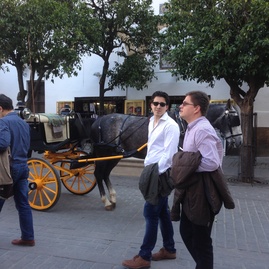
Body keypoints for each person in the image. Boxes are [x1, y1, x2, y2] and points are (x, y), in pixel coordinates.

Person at [172, 91, 230, 269]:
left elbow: (212, 162)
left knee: (201, 240)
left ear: (196, 108)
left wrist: (183, 165)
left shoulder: (202, 129)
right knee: (187, 232)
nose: (180, 106)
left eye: (184, 103)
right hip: (192, 191)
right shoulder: (192, 127)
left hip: (202, 193)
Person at [122, 91, 180, 269]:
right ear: (151, 105)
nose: (158, 107)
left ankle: (144, 256)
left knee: (150, 213)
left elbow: (169, 155)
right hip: (152, 170)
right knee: (162, 213)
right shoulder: (151, 121)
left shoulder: (171, 126)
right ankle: (169, 249)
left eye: (162, 104)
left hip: (159, 174)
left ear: (167, 107)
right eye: (155, 103)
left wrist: (154, 174)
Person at [0, 94, 35, 246]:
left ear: (0, 108)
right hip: (23, 167)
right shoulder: (23, 123)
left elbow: (3, 143)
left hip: (8, 169)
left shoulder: (2, 122)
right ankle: (28, 238)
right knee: (23, 204)